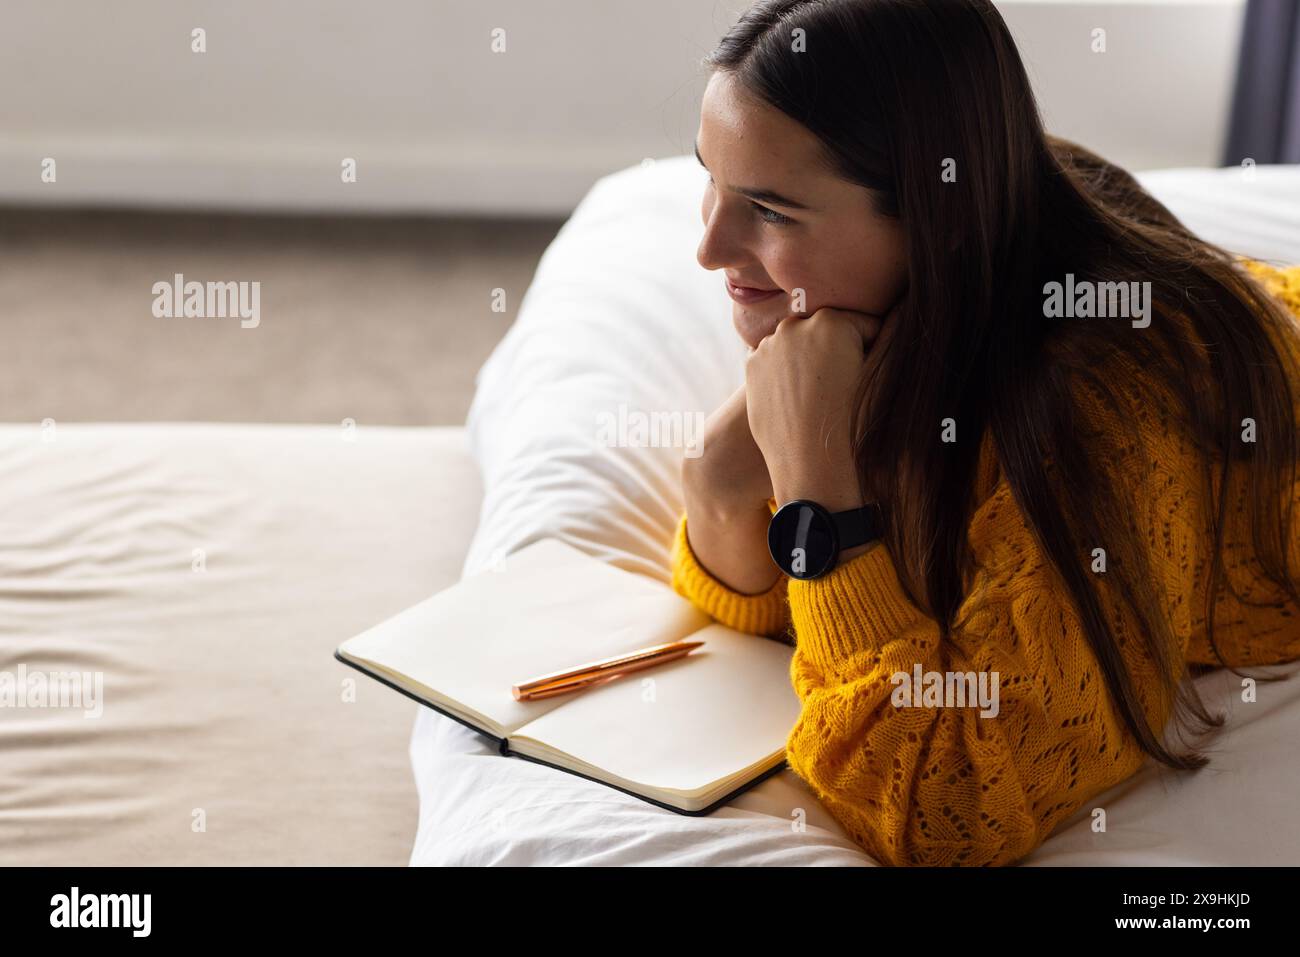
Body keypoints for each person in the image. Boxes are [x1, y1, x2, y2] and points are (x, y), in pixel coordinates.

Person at [671, 0, 1300, 866]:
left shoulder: (1103, 424)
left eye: (771, 210)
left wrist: (816, 495)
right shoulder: (921, 296)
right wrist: (719, 475)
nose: (708, 246)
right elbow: (752, 608)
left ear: (929, 218)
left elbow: (948, 811)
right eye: (710, 178)